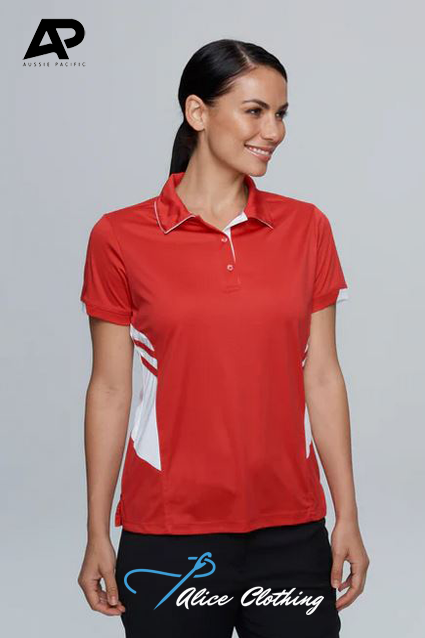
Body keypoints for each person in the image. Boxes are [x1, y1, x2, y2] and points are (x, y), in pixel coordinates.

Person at [77, 38, 370, 638]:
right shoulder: (120, 237)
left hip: (290, 528)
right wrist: (97, 531)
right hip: (168, 532)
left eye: (281, 113)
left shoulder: (306, 227)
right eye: (255, 111)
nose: (274, 131)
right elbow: (109, 389)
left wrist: (347, 516)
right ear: (198, 112)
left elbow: (322, 375)